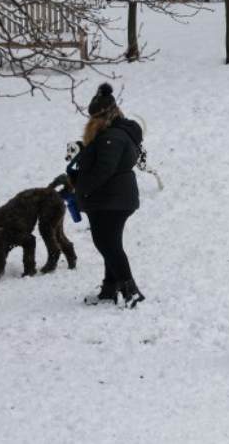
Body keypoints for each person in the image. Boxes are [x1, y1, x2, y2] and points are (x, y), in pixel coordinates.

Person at [72, 83, 145, 308]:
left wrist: (81, 188)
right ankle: (109, 289)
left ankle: (129, 289)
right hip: (113, 198)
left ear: (104, 116)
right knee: (110, 243)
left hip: (111, 199)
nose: (91, 122)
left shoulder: (111, 136)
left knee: (108, 244)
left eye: (94, 117)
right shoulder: (115, 134)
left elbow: (104, 169)